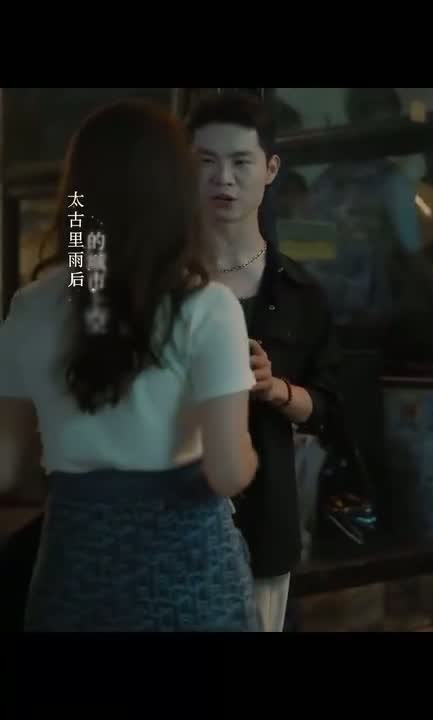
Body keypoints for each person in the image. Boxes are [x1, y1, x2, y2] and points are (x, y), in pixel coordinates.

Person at [0, 100, 259, 631]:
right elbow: (228, 472)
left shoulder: (31, 307)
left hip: (75, 574)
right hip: (189, 579)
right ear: (175, 197)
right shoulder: (208, 307)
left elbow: (6, 467)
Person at [187, 92, 344, 632]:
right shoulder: (158, 282)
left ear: (271, 169)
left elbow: (330, 408)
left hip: (264, 521)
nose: (223, 179)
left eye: (240, 162)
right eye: (206, 162)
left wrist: (277, 389)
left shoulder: (300, 291)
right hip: (168, 519)